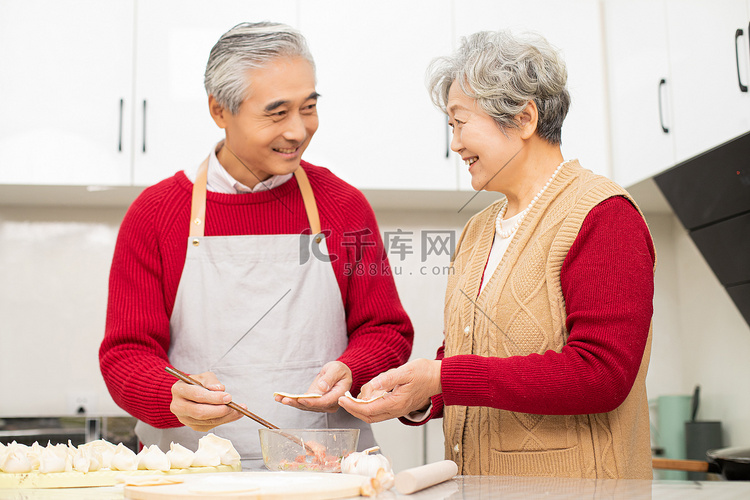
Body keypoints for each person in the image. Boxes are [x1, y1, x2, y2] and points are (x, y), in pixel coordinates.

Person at [339, 30, 655, 479]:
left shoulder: (603, 215)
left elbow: (601, 373)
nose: (455, 144)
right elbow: (463, 360)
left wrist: (441, 378)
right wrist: (421, 393)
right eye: (451, 127)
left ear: (524, 119)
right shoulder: (477, 231)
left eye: (461, 123)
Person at [99, 22, 413, 469]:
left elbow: (386, 330)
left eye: (309, 107)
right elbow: (126, 353)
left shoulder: (343, 206)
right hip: (189, 475)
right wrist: (169, 395)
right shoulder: (156, 213)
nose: (298, 130)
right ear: (219, 110)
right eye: (276, 112)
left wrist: (353, 369)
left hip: (325, 474)